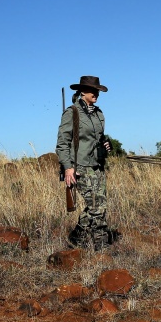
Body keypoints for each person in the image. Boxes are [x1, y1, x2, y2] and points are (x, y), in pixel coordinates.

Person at [56, 75, 113, 249]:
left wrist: (106, 144)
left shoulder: (99, 114)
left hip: (97, 166)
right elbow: (62, 143)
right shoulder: (72, 113)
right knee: (97, 208)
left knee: (98, 204)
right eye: (92, 90)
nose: (96, 93)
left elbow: (99, 137)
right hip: (79, 167)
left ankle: (76, 238)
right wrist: (68, 168)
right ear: (82, 92)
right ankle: (101, 247)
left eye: (98, 90)